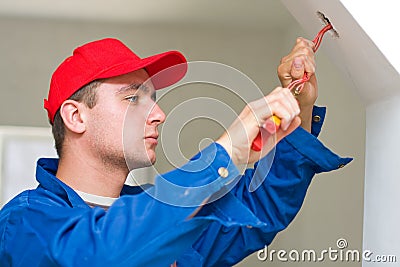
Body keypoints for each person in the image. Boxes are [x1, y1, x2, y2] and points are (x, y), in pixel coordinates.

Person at [0, 37, 351, 267]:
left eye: (153, 98)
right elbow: (102, 251)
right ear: (76, 116)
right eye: (134, 98)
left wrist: (300, 106)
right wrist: (224, 151)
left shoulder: (164, 213)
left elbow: (260, 208)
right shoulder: (25, 224)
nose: (159, 114)